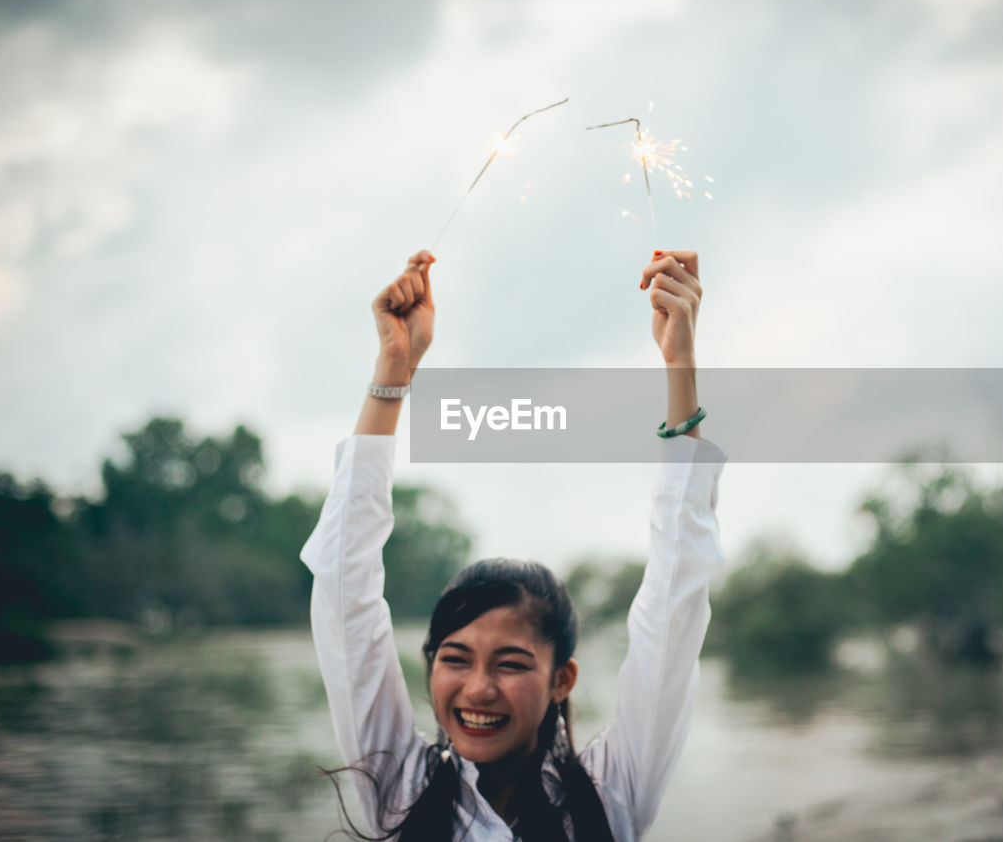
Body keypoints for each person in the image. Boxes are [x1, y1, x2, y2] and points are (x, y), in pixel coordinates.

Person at [300, 248, 727, 841]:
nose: (477, 689)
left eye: (511, 664)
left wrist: (680, 363)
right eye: (456, 658)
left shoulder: (610, 793)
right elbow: (344, 589)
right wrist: (393, 370)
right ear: (430, 667)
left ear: (562, 680)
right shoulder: (398, 786)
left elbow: (674, 605)